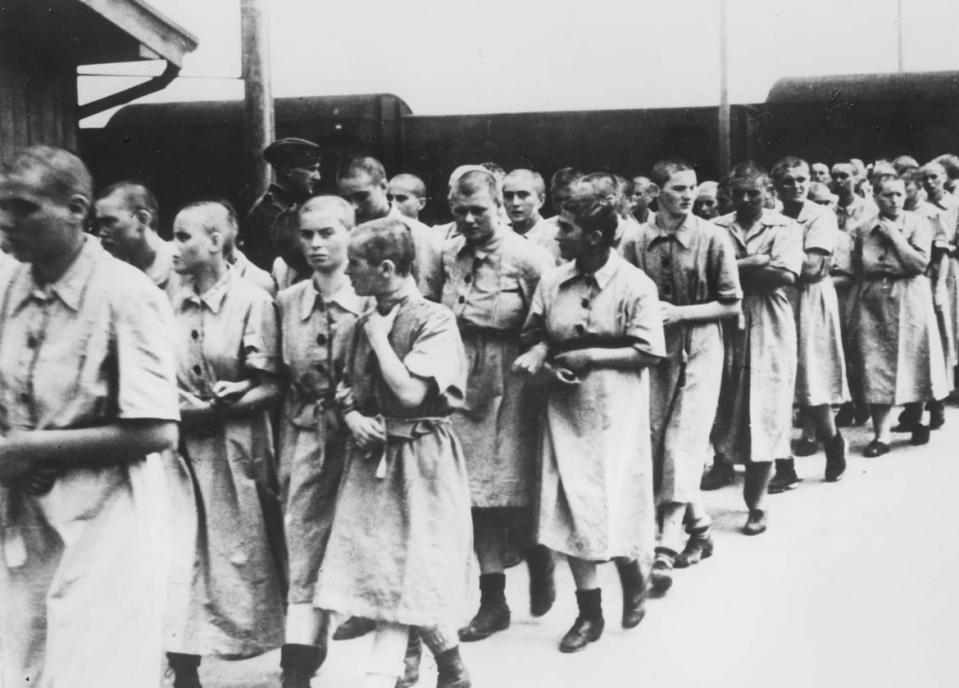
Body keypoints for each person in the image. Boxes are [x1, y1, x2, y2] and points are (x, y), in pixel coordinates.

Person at [0, 145, 179, 687]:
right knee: (23, 668)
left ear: (78, 209)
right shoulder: (9, 287)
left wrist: (25, 448)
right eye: (0, 206)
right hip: (25, 522)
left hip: (106, 521)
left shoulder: (127, 294)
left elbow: (157, 429)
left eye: (25, 208)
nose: (7, 221)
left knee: (93, 671)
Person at [314, 217, 473, 688]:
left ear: (386, 268)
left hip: (421, 457)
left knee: (415, 566)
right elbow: (341, 381)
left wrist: (379, 337)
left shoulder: (433, 320)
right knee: (382, 565)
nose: (348, 275)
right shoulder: (362, 316)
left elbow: (408, 394)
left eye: (356, 266)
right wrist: (352, 417)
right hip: (371, 457)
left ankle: (429, 667)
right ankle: (441, 667)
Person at [513, 179, 666, 653]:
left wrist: (591, 357)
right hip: (564, 411)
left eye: (567, 228)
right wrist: (541, 353)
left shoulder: (635, 285)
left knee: (612, 500)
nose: (559, 236)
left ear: (595, 237)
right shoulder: (554, 280)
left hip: (614, 413)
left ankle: (633, 574)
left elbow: (649, 352)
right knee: (572, 508)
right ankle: (589, 613)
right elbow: (535, 331)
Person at [165, 201, 286, 685]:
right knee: (181, 554)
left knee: (245, 553)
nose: (174, 247)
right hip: (179, 451)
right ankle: (184, 666)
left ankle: (288, 657)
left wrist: (220, 407)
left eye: (183, 236)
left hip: (237, 448)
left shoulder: (253, 301)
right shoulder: (167, 300)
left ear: (216, 240)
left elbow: (272, 384)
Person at [441, 169, 555, 643]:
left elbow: (556, 320)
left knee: (516, 489)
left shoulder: (529, 258)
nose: (469, 220)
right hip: (463, 375)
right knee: (476, 498)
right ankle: (493, 601)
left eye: (479, 211)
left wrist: (540, 351)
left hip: (515, 379)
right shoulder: (448, 253)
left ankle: (539, 554)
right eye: (460, 211)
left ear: (500, 208)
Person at [621, 160, 741, 590]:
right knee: (656, 441)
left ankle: (665, 550)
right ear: (657, 192)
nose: (687, 195)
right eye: (677, 188)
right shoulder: (635, 240)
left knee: (682, 442)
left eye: (691, 187)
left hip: (703, 348)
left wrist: (682, 313)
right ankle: (702, 530)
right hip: (655, 353)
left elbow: (731, 303)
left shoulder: (713, 238)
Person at [274, 196, 366, 687]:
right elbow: (279, 379)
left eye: (327, 233)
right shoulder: (287, 302)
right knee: (304, 544)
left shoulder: (372, 300)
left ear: (352, 233)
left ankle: (414, 650)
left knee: (375, 542)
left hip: (366, 442)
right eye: (307, 234)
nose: (315, 244)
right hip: (308, 434)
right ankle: (298, 661)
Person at [710, 162, 803, 534]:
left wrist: (732, 268)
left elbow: (784, 275)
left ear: (769, 194)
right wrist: (754, 261)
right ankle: (720, 469)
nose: (746, 199)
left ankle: (757, 503)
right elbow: (709, 275)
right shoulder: (715, 228)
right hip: (725, 321)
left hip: (769, 321)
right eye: (738, 193)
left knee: (764, 409)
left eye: (754, 193)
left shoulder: (786, 227)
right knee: (724, 403)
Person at [852, 175, 948, 456]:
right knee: (875, 362)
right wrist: (887, 268)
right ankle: (881, 435)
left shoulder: (918, 223)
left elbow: (919, 263)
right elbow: (861, 265)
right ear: (875, 198)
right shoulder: (863, 229)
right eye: (886, 195)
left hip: (910, 297)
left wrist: (894, 236)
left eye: (897, 194)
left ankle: (915, 419)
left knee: (913, 356)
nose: (893, 200)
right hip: (874, 300)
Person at [769, 157, 849, 491]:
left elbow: (814, 268)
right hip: (776, 297)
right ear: (776, 185)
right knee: (774, 380)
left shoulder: (821, 215)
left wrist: (769, 259)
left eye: (801, 179)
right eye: (788, 181)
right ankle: (783, 463)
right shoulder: (769, 215)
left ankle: (832, 443)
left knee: (810, 377)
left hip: (811, 301)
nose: (796, 186)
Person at [338, 156, 443, 302]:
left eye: (361, 196)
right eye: (347, 200)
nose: (354, 206)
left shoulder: (419, 235)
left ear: (383, 187)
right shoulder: (343, 235)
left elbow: (427, 296)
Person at [831, 160, 877, 427]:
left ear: (857, 178)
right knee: (840, 345)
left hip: (861, 284)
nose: (839, 181)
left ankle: (864, 401)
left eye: (844, 176)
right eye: (835, 176)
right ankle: (849, 402)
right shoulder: (827, 210)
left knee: (860, 346)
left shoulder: (868, 210)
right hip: (837, 284)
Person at [242, 137, 321, 270]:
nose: (318, 176)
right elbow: (282, 263)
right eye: (311, 169)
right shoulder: (268, 211)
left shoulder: (286, 206)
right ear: (287, 171)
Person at [93, 181, 179, 297]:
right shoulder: (113, 270)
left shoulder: (183, 265)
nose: (101, 232)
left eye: (109, 222)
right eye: (100, 224)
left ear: (142, 219)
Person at [503, 168, 561, 261]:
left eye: (523, 195)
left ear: (541, 200)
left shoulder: (557, 239)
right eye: (508, 196)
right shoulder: (498, 237)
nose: (515, 203)